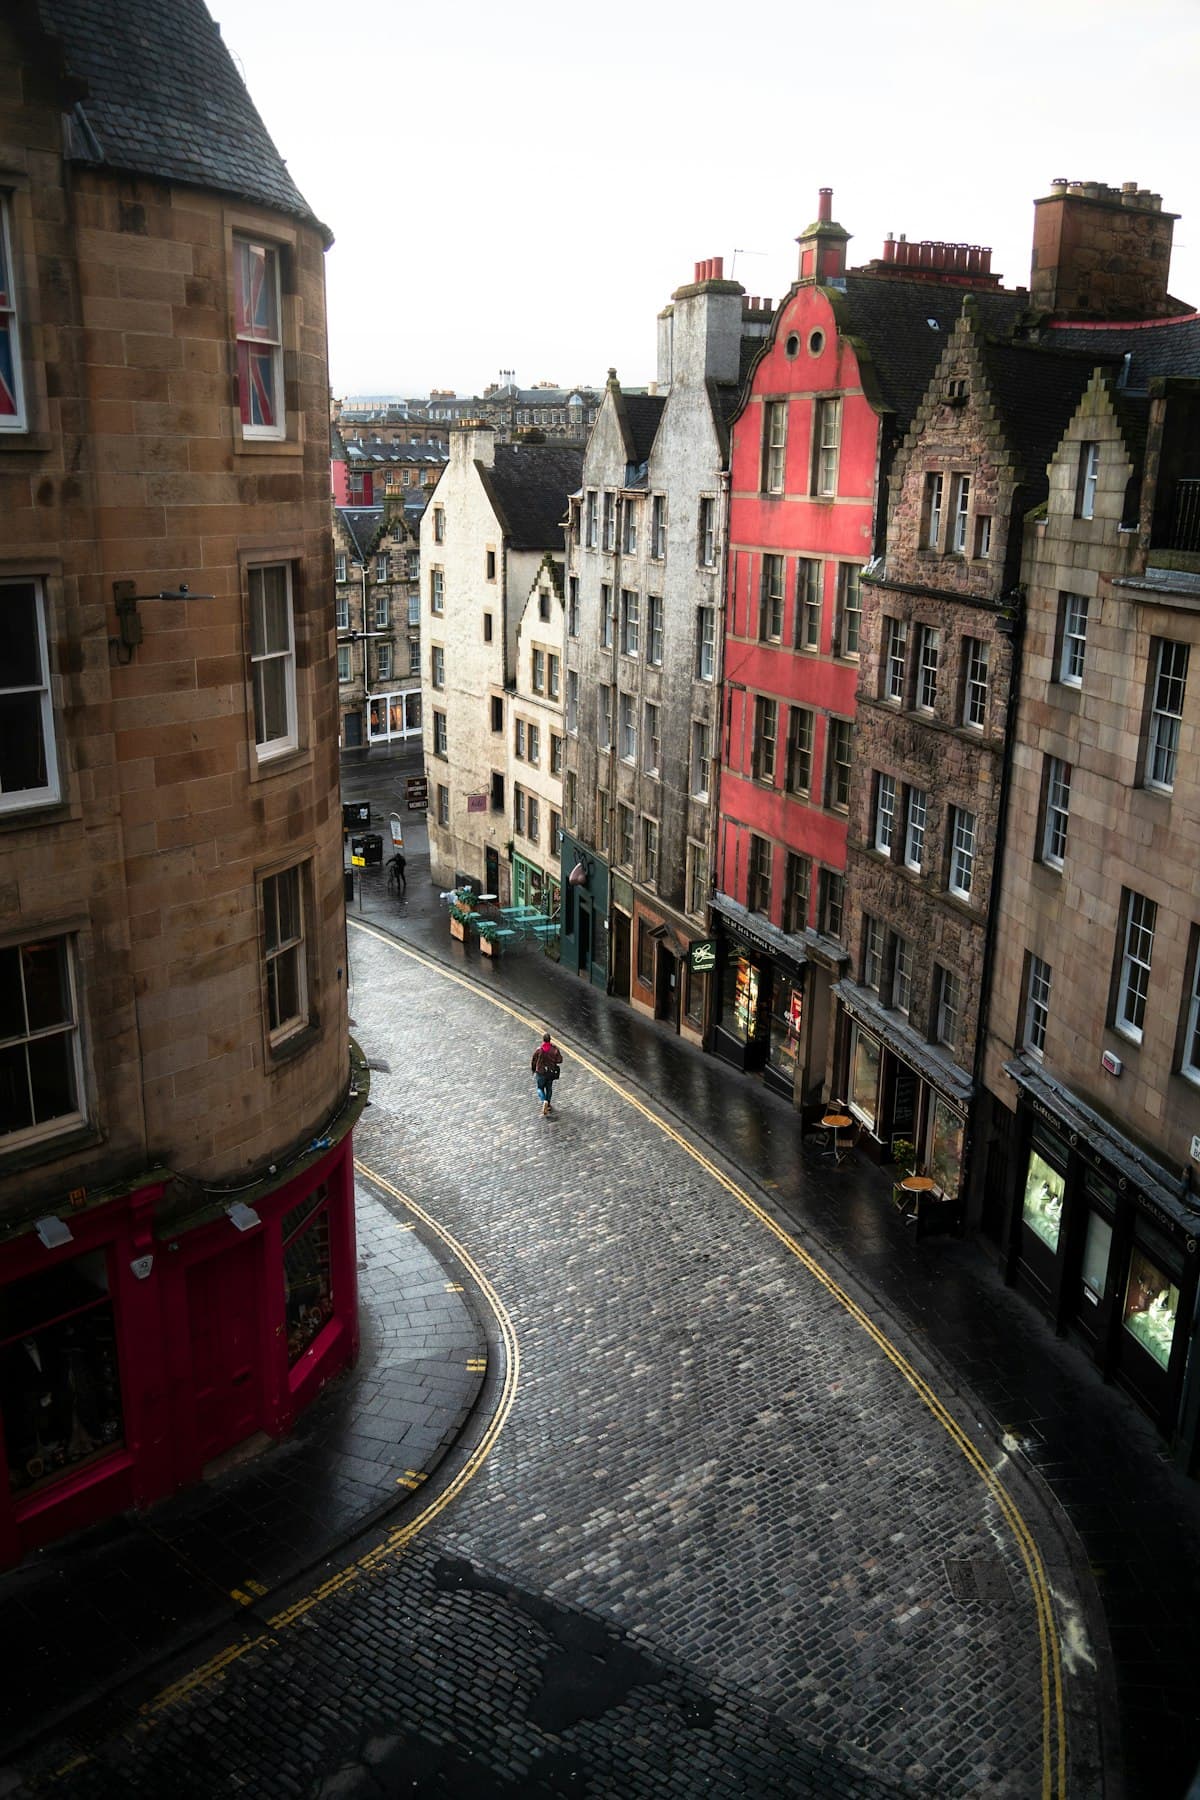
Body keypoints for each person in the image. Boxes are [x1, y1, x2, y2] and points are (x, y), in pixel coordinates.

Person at [531, 1031, 562, 1117]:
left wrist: (534, 1069)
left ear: (543, 1040)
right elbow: (560, 1060)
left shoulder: (539, 1050)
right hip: (550, 1072)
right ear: (550, 1040)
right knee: (549, 1088)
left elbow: (534, 1060)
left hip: (540, 1072)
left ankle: (544, 1100)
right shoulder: (554, 1049)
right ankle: (548, 1104)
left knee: (540, 1088)